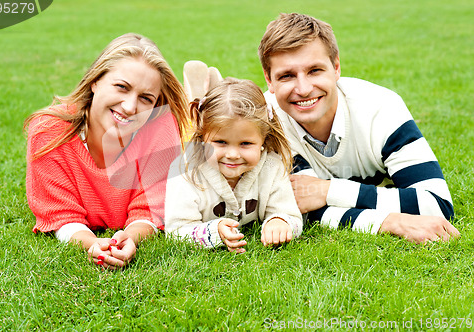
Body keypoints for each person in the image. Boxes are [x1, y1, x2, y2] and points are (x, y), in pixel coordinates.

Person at [258, 13, 459, 243]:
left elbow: (436, 204)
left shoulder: (381, 108)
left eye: (315, 70)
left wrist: (327, 191)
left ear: (336, 67)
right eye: (286, 76)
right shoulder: (267, 121)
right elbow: (303, 208)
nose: (303, 89)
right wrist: (390, 222)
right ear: (269, 80)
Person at [25, 33, 189, 269]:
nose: (131, 107)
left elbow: (150, 209)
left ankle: (199, 100)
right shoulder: (49, 130)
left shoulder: (160, 127)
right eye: (122, 87)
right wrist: (91, 243)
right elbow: (60, 213)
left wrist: (130, 237)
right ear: (95, 81)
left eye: (146, 98)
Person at [164, 78, 303, 253]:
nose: (232, 155)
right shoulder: (185, 171)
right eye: (221, 142)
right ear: (202, 137)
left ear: (263, 139)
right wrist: (214, 231)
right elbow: (176, 231)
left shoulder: (271, 166)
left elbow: (292, 217)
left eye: (245, 143)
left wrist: (280, 222)